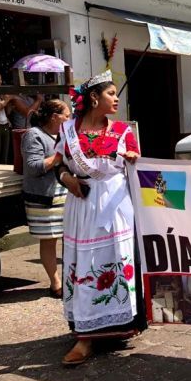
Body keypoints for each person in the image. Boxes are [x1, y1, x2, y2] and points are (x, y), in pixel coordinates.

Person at [53, 70, 143, 366]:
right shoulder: (68, 131)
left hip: (115, 206)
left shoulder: (123, 132)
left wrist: (132, 162)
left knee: (117, 260)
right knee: (84, 264)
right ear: (94, 98)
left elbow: (138, 169)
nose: (117, 99)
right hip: (82, 205)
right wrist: (66, 178)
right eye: (111, 93)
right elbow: (56, 166)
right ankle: (85, 336)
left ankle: (118, 326)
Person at [21, 99, 71, 297]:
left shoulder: (63, 134)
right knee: (49, 241)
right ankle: (56, 283)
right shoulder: (33, 135)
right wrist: (58, 157)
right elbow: (33, 167)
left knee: (70, 239)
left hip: (65, 195)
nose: (70, 119)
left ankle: (70, 279)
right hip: (44, 198)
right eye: (66, 115)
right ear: (54, 117)